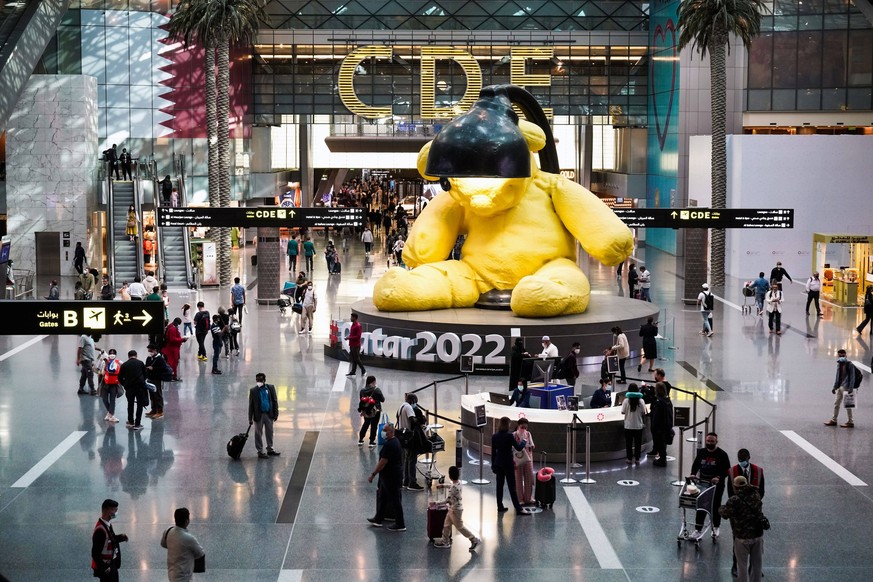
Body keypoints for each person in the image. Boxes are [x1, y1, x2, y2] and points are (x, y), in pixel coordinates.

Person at [727, 449, 766, 578]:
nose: (742, 461)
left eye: (744, 458)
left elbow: (762, 491)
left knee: (756, 548)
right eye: (739, 458)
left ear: (749, 457)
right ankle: (736, 565)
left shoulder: (758, 471)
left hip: (754, 515)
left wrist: (753, 503)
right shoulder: (732, 472)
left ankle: (754, 569)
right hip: (738, 517)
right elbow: (730, 493)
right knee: (737, 541)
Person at [719, 476, 765, 582]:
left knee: (742, 566)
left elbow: (725, 514)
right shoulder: (756, 494)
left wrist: (720, 508)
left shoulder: (734, 500)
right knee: (757, 565)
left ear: (735, 486)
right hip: (758, 535)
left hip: (742, 537)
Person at [688, 432, 731, 540]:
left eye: (712, 441)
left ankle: (716, 527)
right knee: (701, 504)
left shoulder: (722, 454)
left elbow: (727, 470)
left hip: (716, 485)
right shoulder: (702, 452)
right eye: (708, 441)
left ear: (716, 442)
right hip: (702, 483)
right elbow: (696, 464)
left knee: (715, 505)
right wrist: (693, 474)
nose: (709, 443)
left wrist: (718, 477)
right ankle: (698, 529)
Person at [367, 423, 406, 532]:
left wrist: (373, 474)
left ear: (392, 432)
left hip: (391, 477)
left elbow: (382, 462)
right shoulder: (394, 442)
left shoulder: (390, 445)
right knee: (382, 496)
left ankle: (400, 523)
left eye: (385, 430)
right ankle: (378, 518)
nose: (382, 433)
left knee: (395, 499)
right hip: (388, 477)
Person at [434, 465, 481, 550]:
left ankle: (473, 539)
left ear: (449, 475)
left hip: (455, 510)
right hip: (454, 509)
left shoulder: (453, 487)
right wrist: (443, 485)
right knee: (446, 525)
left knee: (460, 527)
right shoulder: (458, 483)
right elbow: (451, 486)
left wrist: (435, 503)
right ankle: (445, 541)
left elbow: (447, 500)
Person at [491, 416, 528, 515]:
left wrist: (493, 466)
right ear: (507, 425)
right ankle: (518, 508)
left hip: (498, 463)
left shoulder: (494, 436)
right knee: (512, 487)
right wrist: (524, 441)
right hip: (508, 463)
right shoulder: (509, 436)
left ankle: (500, 506)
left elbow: (493, 453)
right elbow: (518, 447)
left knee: (499, 486)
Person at [160, 507, 206, 582]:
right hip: (184, 576)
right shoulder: (189, 538)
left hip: (171, 573)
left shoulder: (168, 531)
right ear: (187, 521)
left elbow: (163, 544)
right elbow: (200, 553)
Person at [91, 499, 128, 581]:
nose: (116, 513)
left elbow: (110, 539)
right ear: (108, 511)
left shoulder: (107, 524)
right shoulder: (100, 530)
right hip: (107, 567)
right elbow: (95, 553)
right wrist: (105, 568)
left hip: (112, 564)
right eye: (115, 510)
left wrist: (121, 537)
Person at [396, 393, 425, 491]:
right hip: (409, 437)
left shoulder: (401, 406)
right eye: (415, 402)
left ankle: (405, 480)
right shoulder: (408, 407)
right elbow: (413, 420)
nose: (415, 404)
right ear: (412, 401)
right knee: (412, 460)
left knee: (406, 459)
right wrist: (421, 420)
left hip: (402, 436)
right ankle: (412, 482)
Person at [249, 373, 280, 458]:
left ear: (264, 380)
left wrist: (276, 413)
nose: (259, 382)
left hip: (269, 414)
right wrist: (250, 418)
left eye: (260, 380)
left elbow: (274, 401)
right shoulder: (253, 391)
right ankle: (260, 451)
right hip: (258, 415)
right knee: (258, 433)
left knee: (270, 432)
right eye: (257, 380)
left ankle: (270, 448)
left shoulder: (270, 388)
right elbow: (251, 405)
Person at [825, 348, 857, 428]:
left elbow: (852, 377)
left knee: (848, 405)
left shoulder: (850, 365)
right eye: (840, 355)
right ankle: (834, 420)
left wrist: (850, 388)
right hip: (839, 387)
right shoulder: (839, 364)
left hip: (846, 387)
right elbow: (837, 377)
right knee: (836, 403)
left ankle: (850, 421)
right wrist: (834, 387)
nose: (841, 356)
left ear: (846, 355)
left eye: (843, 355)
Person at [118, 350, 148, 430]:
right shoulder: (140, 363)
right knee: (139, 405)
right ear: (136, 355)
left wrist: (125, 384)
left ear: (128, 356)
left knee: (130, 404)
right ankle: (137, 424)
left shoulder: (124, 365)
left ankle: (131, 421)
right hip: (140, 387)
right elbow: (145, 375)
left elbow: (120, 377)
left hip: (129, 388)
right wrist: (142, 381)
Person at [621, 386, 648, 465]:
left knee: (629, 443)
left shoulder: (626, 401)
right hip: (638, 425)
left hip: (628, 425)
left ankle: (629, 458)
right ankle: (637, 459)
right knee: (638, 443)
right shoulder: (641, 401)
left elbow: (622, 412)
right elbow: (643, 412)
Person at [512, 418, 536, 505]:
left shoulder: (528, 434)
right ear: (518, 426)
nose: (524, 429)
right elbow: (512, 447)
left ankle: (528, 497)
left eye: (525, 428)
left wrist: (528, 445)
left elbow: (532, 446)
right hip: (518, 458)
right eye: (522, 427)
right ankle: (520, 498)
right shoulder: (514, 435)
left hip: (528, 457)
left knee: (529, 477)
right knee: (518, 478)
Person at [650, 382, 673, 467]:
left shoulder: (659, 403)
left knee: (660, 445)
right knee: (663, 445)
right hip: (666, 426)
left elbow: (656, 417)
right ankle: (662, 458)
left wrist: (653, 428)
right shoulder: (668, 401)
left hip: (659, 429)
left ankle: (662, 460)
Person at [357, 375, 384, 447]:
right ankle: (371, 441)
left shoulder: (362, 390)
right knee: (374, 425)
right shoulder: (376, 389)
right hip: (376, 410)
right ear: (373, 381)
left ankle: (361, 439)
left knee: (366, 423)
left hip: (366, 410)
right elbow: (383, 399)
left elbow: (361, 400)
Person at [145, 344, 170, 420]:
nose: (150, 352)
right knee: (152, 395)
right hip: (150, 379)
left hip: (157, 379)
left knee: (157, 394)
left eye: (151, 351)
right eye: (149, 351)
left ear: (155, 350)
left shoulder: (160, 359)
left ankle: (160, 411)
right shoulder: (149, 358)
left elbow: (164, 369)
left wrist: (154, 369)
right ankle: (154, 409)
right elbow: (146, 365)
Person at [100, 348, 122, 423]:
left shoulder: (119, 362)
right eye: (111, 353)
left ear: (116, 355)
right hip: (105, 382)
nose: (112, 354)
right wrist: (106, 365)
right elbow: (102, 373)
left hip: (114, 384)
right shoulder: (104, 362)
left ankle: (111, 414)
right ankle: (110, 413)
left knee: (113, 399)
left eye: (113, 353)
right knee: (104, 398)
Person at [346, 312, 366, 376]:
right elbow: (353, 334)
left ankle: (363, 370)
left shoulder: (358, 326)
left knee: (357, 358)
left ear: (355, 318)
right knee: (353, 358)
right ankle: (353, 371)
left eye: (351, 317)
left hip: (356, 345)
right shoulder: (353, 325)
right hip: (352, 344)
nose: (350, 318)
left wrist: (349, 337)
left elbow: (358, 336)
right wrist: (349, 337)